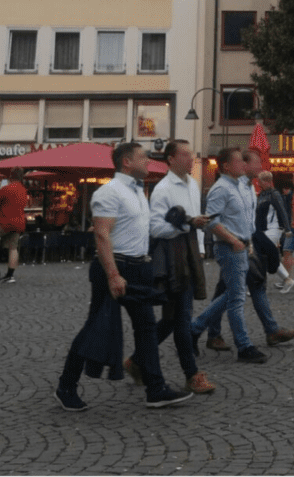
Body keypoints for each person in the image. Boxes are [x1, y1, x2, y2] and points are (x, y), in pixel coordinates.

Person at [55, 142, 192, 411]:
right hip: (115, 268)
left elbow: (151, 228)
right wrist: (114, 274)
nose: (149, 161)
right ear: (126, 162)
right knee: (95, 328)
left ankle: (156, 389)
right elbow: (102, 234)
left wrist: (182, 224)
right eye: (143, 157)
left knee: (147, 327)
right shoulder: (109, 192)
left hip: (139, 268)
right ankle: (65, 387)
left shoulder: (140, 191)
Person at [124, 140, 216, 395]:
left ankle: (137, 360)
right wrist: (186, 224)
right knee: (182, 318)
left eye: (192, 155)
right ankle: (191, 374)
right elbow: (155, 228)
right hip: (172, 258)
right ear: (172, 159)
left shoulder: (193, 185)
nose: (191, 159)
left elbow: (195, 222)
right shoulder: (163, 188)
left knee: (172, 319)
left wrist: (198, 246)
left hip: (188, 255)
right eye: (185, 155)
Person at [191, 148, 294, 364]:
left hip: (241, 246)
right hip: (230, 248)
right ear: (227, 166)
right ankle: (244, 346)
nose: (244, 165)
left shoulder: (240, 185)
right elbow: (210, 221)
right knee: (236, 298)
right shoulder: (221, 189)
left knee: (232, 295)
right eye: (239, 161)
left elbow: (244, 218)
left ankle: (196, 328)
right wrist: (234, 240)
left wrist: (247, 241)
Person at [256, 171, 294, 293]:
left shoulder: (274, 194)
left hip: (274, 229)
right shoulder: (262, 194)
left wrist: (287, 229)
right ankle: (287, 280)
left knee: (261, 255)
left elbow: (282, 211)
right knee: (267, 256)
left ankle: (260, 285)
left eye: (260, 181)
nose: (258, 183)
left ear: (266, 181)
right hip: (264, 230)